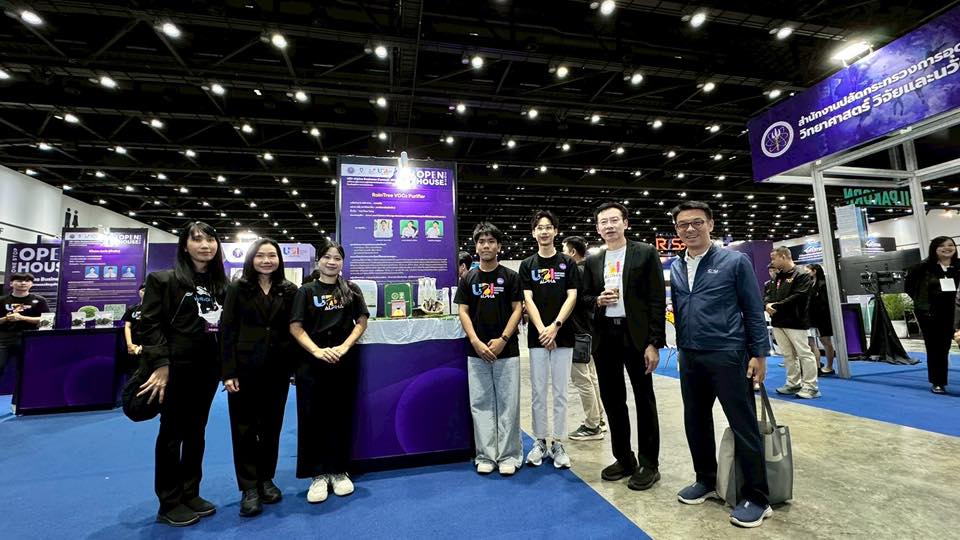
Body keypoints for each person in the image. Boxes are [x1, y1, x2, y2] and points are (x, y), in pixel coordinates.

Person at [668, 201, 773, 529]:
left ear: (711, 224)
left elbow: (753, 308)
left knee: (743, 424)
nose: (690, 229)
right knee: (695, 421)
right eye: (683, 224)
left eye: (697, 222)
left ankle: (758, 497)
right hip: (690, 355)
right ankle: (706, 479)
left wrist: (759, 353)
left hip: (729, 354)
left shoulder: (734, 261)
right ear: (676, 230)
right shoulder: (677, 265)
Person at [137, 222, 228, 527]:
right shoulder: (163, 280)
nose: (205, 245)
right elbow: (149, 325)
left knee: (196, 432)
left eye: (210, 239)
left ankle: (191, 492)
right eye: (197, 240)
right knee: (171, 433)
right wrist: (161, 365)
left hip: (207, 369)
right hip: (174, 369)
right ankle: (169, 501)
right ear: (185, 246)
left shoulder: (221, 285)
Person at [581, 201, 665, 491]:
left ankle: (649, 464)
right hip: (606, 337)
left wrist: (654, 342)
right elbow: (585, 298)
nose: (609, 226)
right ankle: (624, 458)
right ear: (597, 228)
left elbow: (656, 298)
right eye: (603, 222)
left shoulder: (645, 253)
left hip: (636, 337)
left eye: (614, 220)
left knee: (644, 399)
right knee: (613, 400)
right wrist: (597, 301)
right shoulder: (593, 261)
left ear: (625, 223)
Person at [221, 238, 298, 516]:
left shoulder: (288, 289)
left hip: (278, 369)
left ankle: (266, 479)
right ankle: (249, 487)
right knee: (244, 428)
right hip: (244, 369)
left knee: (271, 427)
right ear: (251, 259)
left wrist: (293, 367)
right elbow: (227, 329)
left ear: (279, 259)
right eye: (261, 256)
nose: (267, 261)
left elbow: (294, 329)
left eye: (272, 256)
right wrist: (228, 371)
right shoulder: (238, 288)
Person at [290, 241, 369, 503]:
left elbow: (361, 321)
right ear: (318, 261)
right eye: (327, 257)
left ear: (342, 262)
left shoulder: (351, 290)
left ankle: (339, 470)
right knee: (312, 417)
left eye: (337, 258)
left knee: (340, 416)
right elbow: (296, 327)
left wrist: (345, 347)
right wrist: (317, 351)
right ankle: (318, 474)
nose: (332, 262)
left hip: (343, 361)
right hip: (312, 363)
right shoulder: (305, 291)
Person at [455, 222, 523, 476]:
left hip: (507, 349)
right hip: (477, 351)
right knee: (481, 404)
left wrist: (503, 338)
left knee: (508, 404)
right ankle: (485, 455)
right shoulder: (468, 278)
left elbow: (517, 309)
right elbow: (463, 311)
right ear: (476, 247)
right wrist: (475, 341)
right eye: (481, 242)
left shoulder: (511, 276)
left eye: (491, 241)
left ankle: (509, 455)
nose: (486, 246)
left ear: (499, 246)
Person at [519, 210, 580, 469]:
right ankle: (540, 441)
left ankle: (558, 442)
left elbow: (572, 296)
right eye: (539, 227)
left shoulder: (567, 263)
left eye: (548, 227)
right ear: (533, 232)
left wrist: (555, 327)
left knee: (560, 392)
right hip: (538, 337)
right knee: (538, 392)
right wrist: (543, 330)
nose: (544, 231)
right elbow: (528, 299)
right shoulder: (527, 265)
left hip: (562, 335)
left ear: (555, 231)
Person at [562, 235, 606, 441]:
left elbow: (574, 302)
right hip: (588, 331)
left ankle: (592, 425)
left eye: (564, 250)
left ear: (572, 252)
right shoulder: (588, 270)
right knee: (590, 376)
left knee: (582, 379)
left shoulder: (576, 272)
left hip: (577, 332)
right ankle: (599, 419)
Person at [905, 236, 959, 394]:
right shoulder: (923, 267)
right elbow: (909, 287)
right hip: (932, 315)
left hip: (957, 313)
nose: (947, 248)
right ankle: (938, 382)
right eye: (942, 246)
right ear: (934, 249)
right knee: (937, 349)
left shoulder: (959, 266)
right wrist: (922, 303)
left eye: (950, 245)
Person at [765, 247, 819, 399]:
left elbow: (799, 296)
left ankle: (811, 386)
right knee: (788, 355)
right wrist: (767, 305)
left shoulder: (802, 275)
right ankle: (793, 383)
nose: (772, 262)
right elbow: (769, 294)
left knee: (804, 353)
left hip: (796, 321)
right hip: (778, 321)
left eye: (774, 258)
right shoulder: (777, 277)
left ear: (783, 257)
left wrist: (776, 306)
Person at [0, 273, 49, 387]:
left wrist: (22, 318)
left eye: (27, 281)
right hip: (4, 339)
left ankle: (20, 398)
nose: (23, 283)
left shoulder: (39, 300)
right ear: (11, 283)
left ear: (31, 284)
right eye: (19, 280)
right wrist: (6, 318)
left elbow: (47, 320)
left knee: (27, 371)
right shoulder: (2, 300)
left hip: (29, 339)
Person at [805, 264, 837, 376]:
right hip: (812, 317)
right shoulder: (811, 284)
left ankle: (829, 366)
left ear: (814, 271)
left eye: (808, 271)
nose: (806, 273)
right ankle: (818, 365)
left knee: (826, 341)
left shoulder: (823, 284)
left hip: (823, 317)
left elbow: (824, 302)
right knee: (813, 342)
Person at [120, 284, 146, 375]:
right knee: (132, 372)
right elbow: (127, 326)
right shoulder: (132, 308)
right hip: (133, 344)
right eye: (143, 290)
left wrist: (145, 346)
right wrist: (129, 344)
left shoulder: (156, 309)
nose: (145, 292)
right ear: (139, 292)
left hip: (149, 345)